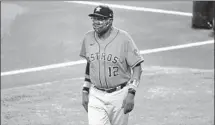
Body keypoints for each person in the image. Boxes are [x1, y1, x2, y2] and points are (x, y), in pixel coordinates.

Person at [79, 5, 144, 125]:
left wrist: (131, 93)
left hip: (119, 95)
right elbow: (90, 64)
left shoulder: (124, 38)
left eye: (100, 19)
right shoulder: (88, 38)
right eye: (94, 19)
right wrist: (85, 90)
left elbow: (137, 68)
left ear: (109, 21)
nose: (96, 23)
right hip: (96, 95)